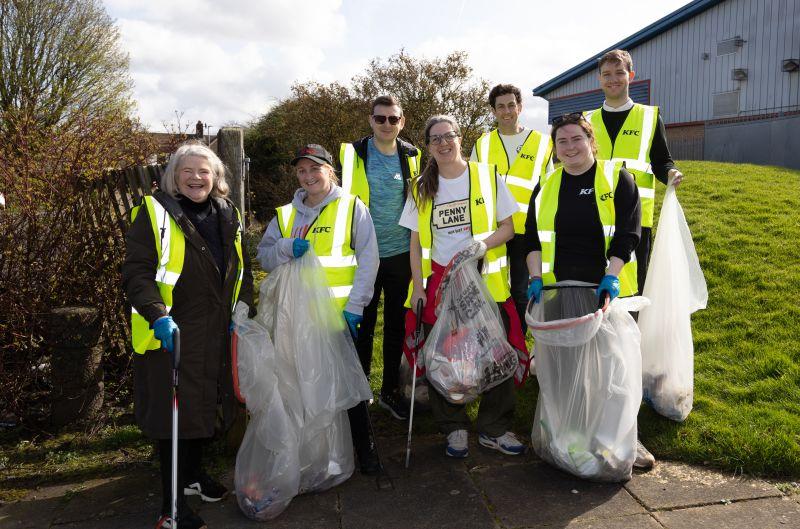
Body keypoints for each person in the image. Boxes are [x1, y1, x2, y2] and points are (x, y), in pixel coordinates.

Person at [123, 142, 254, 529]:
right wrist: (157, 314)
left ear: (216, 178)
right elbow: (137, 273)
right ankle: (171, 508)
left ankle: (193, 477)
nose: (196, 178)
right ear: (173, 177)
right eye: (187, 171)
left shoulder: (227, 213)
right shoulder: (155, 213)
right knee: (173, 417)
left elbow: (240, 268)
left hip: (214, 330)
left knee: (202, 408)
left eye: (204, 171)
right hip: (171, 333)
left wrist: (243, 309)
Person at [523, 113, 655, 470]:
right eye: (561, 141)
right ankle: (569, 438)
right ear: (555, 148)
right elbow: (532, 239)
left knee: (614, 372)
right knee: (567, 373)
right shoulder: (547, 185)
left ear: (590, 140)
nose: (569, 147)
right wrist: (535, 278)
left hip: (603, 292)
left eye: (576, 139)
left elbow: (629, 233)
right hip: (559, 290)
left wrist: (612, 277)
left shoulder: (617, 178)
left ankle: (622, 440)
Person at [400, 114, 525, 459]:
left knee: (495, 353)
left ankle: (494, 428)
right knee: (443, 355)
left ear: (460, 138)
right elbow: (414, 242)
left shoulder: (487, 175)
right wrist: (418, 288)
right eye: (435, 138)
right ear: (427, 146)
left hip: (485, 282)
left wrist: (481, 245)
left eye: (448, 136)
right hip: (439, 283)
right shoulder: (420, 186)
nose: (443, 143)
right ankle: (453, 426)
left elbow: (508, 228)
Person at [256, 144, 381, 474]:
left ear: (330, 171)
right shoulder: (285, 215)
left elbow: (369, 260)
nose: (308, 176)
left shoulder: (352, 208)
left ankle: (364, 450)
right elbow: (265, 258)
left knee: (350, 385)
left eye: (315, 169)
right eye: (302, 170)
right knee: (304, 386)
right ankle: (317, 454)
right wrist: (284, 247)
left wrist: (356, 307)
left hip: (340, 316)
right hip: (297, 320)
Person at [339, 95, 421, 420]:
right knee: (364, 325)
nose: (386, 124)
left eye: (393, 119)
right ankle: (361, 394)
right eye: (380, 118)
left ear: (402, 121)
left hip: (402, 254)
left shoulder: (412, 155)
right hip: (364, 258)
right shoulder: (354, 153)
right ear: (371, 120)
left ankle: (389, 391)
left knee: (396, 327)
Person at [585, 49, 684, 294]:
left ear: (631, 75)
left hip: (636, 218)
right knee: (594, 282)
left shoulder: (650, 116)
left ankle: (633, 332)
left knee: (634, 287)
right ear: (599, 79)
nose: (613, 79)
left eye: (619, 72)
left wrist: (670, 173)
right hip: (593, 213)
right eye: (606, 74)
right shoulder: (587, 120)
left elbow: (662, 160)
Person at [472, 84, 553, 330]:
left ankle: (519, 345)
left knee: (519, 290)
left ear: (520, 107)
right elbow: (473, 185)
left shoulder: (543, 143)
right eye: (500, 106)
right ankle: (495, 343)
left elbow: (548, 190)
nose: (506, 111)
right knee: (491, 289)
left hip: (525, 231)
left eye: (511, 105)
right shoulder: (482, 144)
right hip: (492, 231)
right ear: (494, 111)